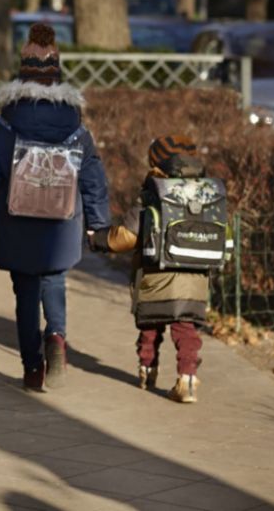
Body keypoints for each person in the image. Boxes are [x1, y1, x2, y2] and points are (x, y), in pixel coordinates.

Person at [0, 24, 110, 392]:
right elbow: (93, 179)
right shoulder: (77, 130)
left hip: (17, 222)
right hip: (61, 223)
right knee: (55, 279)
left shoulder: (1, 127)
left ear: (22, 73)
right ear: (57, 75)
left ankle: (32, 367)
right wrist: (97, 225)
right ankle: (58, 338)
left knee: (25, 291)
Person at [88, 136, 213, 403]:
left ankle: (147, 369)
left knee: (150, 325)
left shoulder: (154, 191)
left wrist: (98, 239)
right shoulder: (206, 190)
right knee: (186, 328)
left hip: (156, 273)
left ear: (156, 161)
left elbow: (128, 236)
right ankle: (188, 378)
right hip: (196, 274)